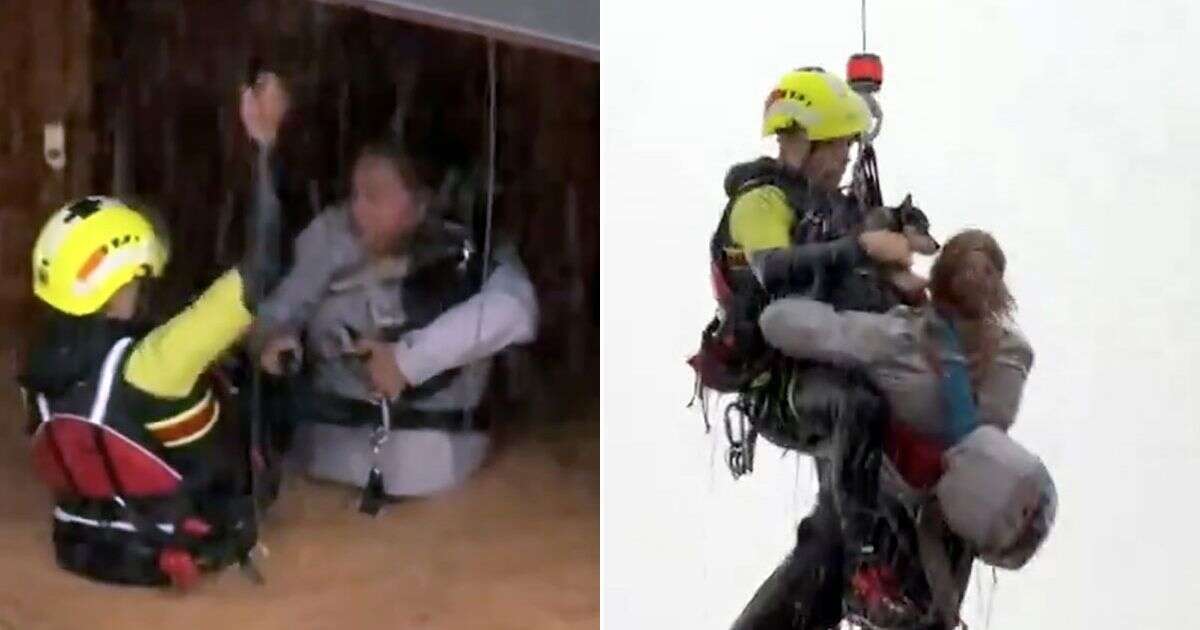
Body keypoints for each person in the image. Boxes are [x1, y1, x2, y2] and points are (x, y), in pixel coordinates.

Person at [17, 76, 289, 588]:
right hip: (183, 531)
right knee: (264, 371)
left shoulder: (34, 354)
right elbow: (264, 268)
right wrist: (265, 148)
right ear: (123, 281)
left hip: (86, 540)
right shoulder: (158, 360)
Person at [693, 67, 925, 629]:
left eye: (850, 142)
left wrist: (901, 226)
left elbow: (858, 230)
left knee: (881, 446)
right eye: (839, 143)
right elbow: (775, 266)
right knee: (857, 408)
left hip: (830, 364)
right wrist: (861, 246)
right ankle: (862, 570)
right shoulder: (761, 203)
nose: (847, 155)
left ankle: (859, 563)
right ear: (802, 139)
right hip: (779, 385)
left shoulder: (831, 205)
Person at [247, 73, 538, 504]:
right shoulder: (332, 236)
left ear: (420, 204)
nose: (358, 208)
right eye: (355, 194)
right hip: (325, 463)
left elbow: (517, 311)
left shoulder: (466, 248)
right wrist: (275, 340)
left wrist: (407, 361)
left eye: (376, 196)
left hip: (436, 470)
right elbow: (269, 310)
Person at [757, 230, 1044, 628]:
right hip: (873, 500)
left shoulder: (998, 352)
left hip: (928, 520)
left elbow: (983, 431)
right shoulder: (898, 336)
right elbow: (779, 323)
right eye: (971, 266)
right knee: (810, 577)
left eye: (989, 269)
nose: (980, 277)